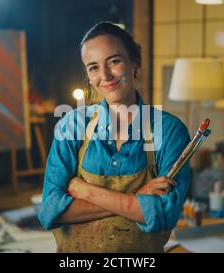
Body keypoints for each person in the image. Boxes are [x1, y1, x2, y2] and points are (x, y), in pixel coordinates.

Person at [38, 22, 190, 253]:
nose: (105, 75)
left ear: (135, 61)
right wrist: (136, 200)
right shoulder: (71, 125)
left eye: (114, 61)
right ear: (88, 75)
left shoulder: (169, 131)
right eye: (93, 67)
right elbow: (50, 211)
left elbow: (162, 215)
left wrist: (87, 191)